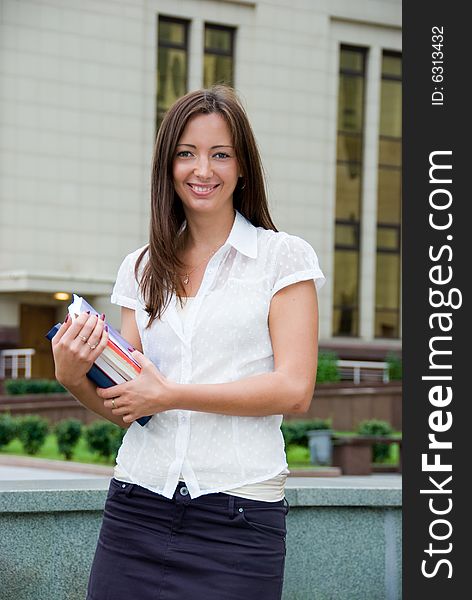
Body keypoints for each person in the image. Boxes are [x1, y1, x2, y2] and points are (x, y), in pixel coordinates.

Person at [52, 85, 325, 600]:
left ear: (242, 166)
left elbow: (294, 388)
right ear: (167, 166)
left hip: (238, 519)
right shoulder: (141, 267)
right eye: (187, 154)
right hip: (137, 505)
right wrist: (72, 376)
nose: (203, 170)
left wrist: (174, 394)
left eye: (220, 154)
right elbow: (129, 402)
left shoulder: (282, 258)